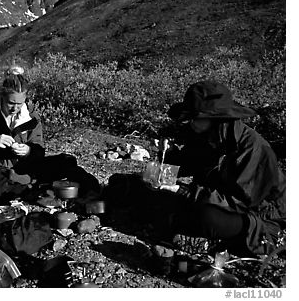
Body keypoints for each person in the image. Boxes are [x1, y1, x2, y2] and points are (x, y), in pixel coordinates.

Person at [105, 81, 285, 257]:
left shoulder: (254, 149)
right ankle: (177, 224)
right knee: (128, 183)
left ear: (215, 118)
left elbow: (238, 203)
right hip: (208, 199)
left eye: (193, 118)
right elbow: (184, 167)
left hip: (254, 218)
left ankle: (194, 233)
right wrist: (169, 153)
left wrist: (181, 190)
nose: (189, 123)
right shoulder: (206, 136)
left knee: (207, 217)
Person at [0, 66, 101, 206]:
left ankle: (92, 190)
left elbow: (39, 149)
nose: (15, 108)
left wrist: (28, 151)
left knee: (66, 161)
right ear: (2, 96)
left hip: (25, 167)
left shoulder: (30, 116)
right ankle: (38, 190)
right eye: (11, 103)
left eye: (20, 104)